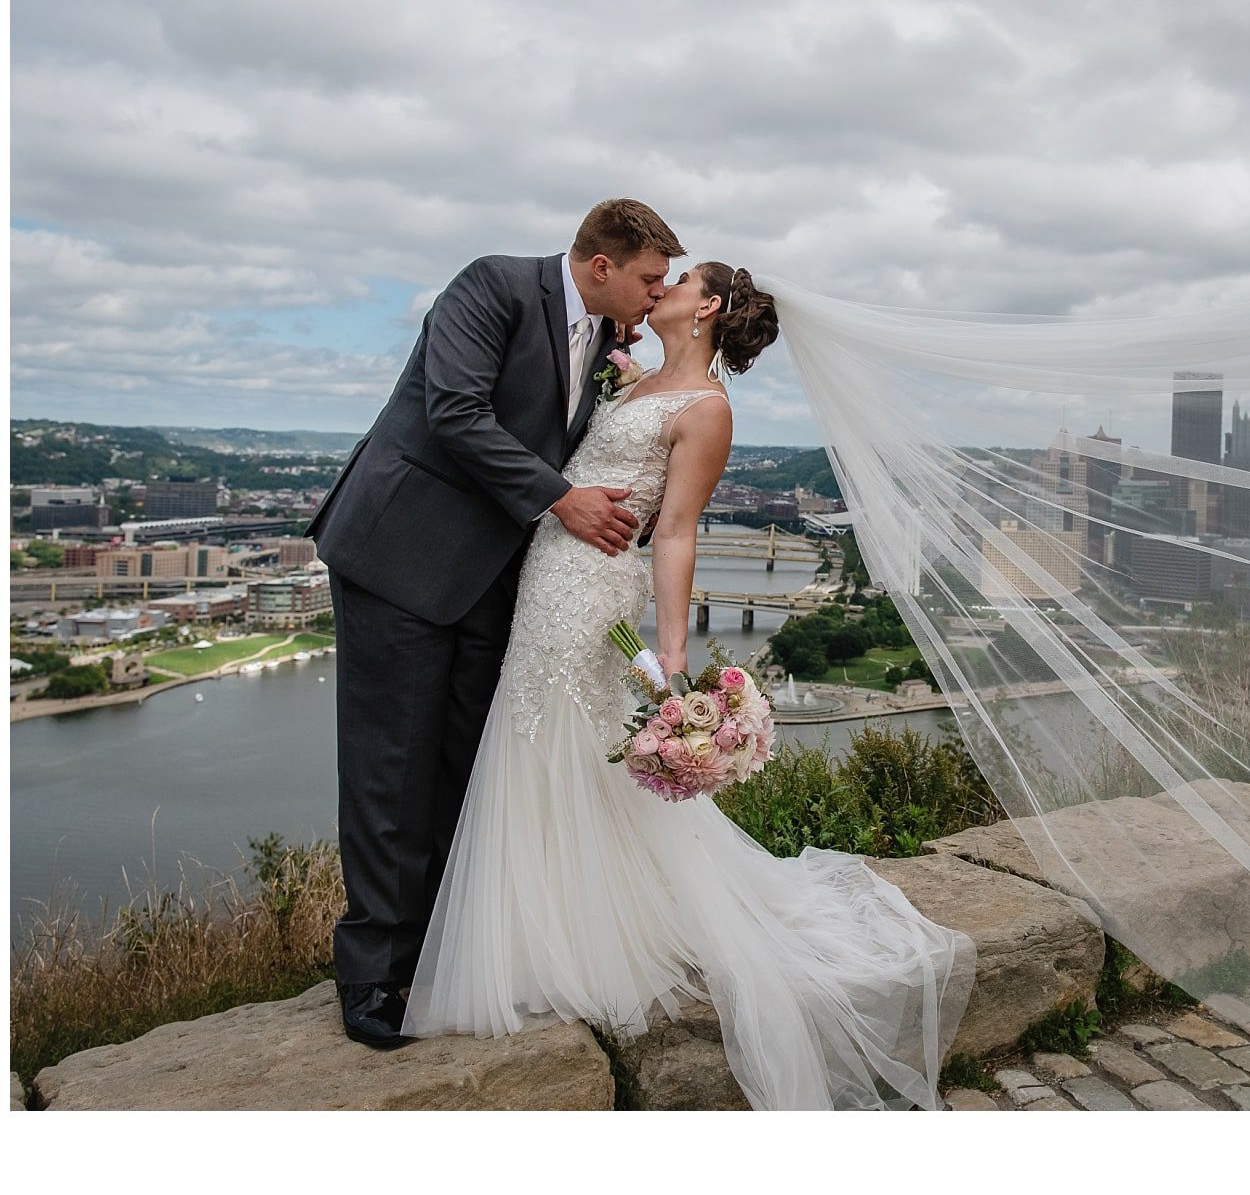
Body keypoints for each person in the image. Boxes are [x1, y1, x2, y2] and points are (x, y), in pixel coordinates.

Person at [399, 262, 977, 1111]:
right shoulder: (629, 378)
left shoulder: (707, 409)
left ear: (705, 306)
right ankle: (545, 925)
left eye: (679, 279)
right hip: (544, 576)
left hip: (593, 588)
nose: (659, 287)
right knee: (535, 737)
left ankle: (559, 941)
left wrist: (672, 656)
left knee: (563, 734)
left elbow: (675, 531)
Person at [307, 198, 684, 1050]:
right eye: (649, 278)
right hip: (403, 559)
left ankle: (441, 952)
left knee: (463, 768)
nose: (655, 295)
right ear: (601, 267)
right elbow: (455, 412)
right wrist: (561, 499)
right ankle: (371, 976)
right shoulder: (492, 287)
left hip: (495, 581)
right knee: (389, 772)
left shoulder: (606, 342)